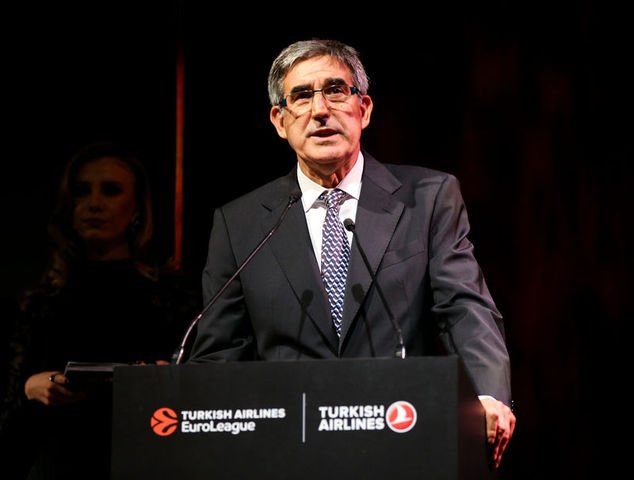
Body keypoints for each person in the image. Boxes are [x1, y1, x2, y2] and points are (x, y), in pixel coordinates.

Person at [187, 39, 515, 468]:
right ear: (280, 121)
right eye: (301, 96)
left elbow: (464, 309)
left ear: (364, 109)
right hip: (285, 452)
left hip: (402, 436)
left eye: (335, 91)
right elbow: (219, 352)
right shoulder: (240, 223)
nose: (320, 109)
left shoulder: (427, 198)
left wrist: (487, 395)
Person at [0, 141, 199, 479]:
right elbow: (9, 404)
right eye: (82, 191)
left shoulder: (171, 295)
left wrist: (165, 377)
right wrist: (30, 387)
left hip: (144, 456)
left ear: (136, 208)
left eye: (111, 191)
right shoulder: (41, 299)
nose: (94, 203)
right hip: (58, 461)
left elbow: (200, 393)